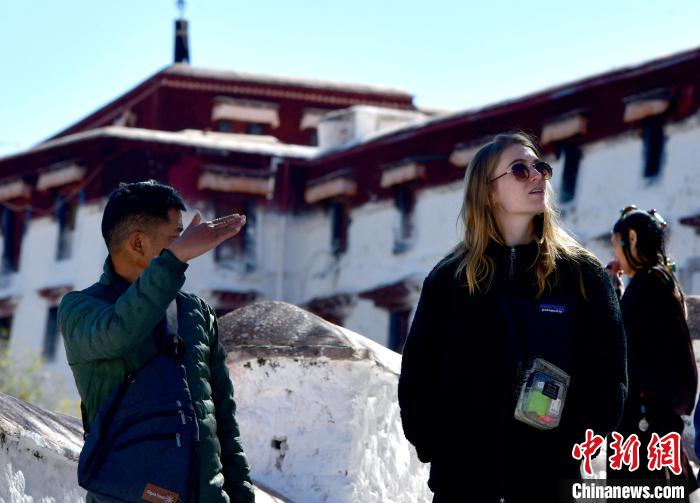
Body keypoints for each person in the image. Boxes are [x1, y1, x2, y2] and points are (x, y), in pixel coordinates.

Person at [398, 132, 628, 503]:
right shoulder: (450, 280)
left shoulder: (582, 275)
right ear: (488, 191)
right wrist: (440, 450)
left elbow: (610, 376)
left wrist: (569, 447)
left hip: (549, 485)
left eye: (541, 167)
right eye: (520, 170)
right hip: (465, 485)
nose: (537, 176)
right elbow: (418, 375)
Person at [58, 181, 256, 503]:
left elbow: (223, 423)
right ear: (138, 243)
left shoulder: (196, 312)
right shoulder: (81, 308)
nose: (188, 244)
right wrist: (174, 259)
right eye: (177, 236)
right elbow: (119, 331)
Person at [606, 206, 697, 499]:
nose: (616, 254)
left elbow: (623, 339)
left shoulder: (650, 286)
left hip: (646, 421)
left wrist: (610, 293)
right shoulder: (656, 283)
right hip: (653, 419)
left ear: (632, 239)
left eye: (617, 244)